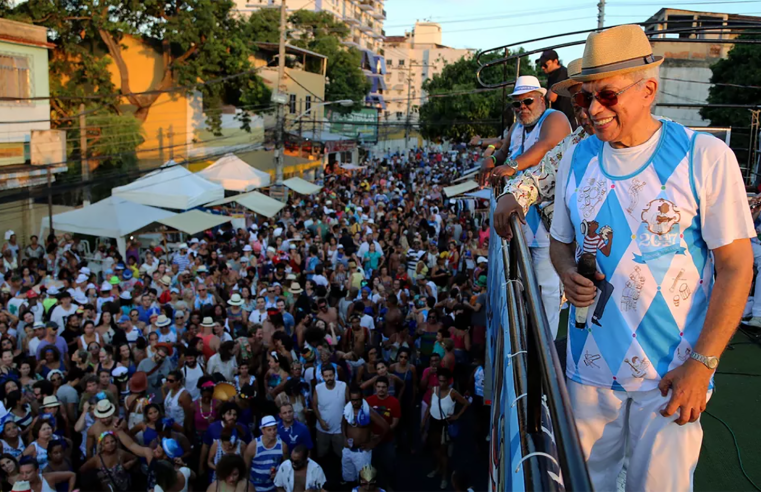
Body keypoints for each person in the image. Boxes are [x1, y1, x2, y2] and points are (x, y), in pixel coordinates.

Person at [549, 25, 754, 491]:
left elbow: (737, 267)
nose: (593, 110)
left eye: (606, 95)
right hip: (588, 370)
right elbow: (561, 241)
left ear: (648, 90)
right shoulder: (576, 158)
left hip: (670, 375)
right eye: (583, 99)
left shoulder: (705, 156)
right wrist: (564, 271)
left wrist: (701, 366)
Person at [421, 368, 469, 489]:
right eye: (439, 380)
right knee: (434, 447)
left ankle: (444, 476)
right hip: (433, 422)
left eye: (443, 381)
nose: (441, 383)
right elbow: (430, 406)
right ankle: (438, 468)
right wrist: (424, 420)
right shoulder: (434, 390)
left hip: (444, 424)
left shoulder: (452, 393)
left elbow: (466, 403)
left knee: (443, 452)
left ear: (448, 381)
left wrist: (457, 416)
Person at [341, 385, 389, 485]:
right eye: (353, 400)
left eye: (357, 400)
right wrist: (344, 438)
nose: (355, 403)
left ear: (362, 397)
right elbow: (343, 423)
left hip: (362, 453)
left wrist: (374, 442)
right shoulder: (347, 409)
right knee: (348, 479)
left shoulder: (368, 412)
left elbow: (386, 427)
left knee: (365, 481)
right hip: (348, 451)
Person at [365, 377, 400, 492]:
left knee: (389, 466)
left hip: (387, 440)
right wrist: (371, 434)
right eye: (378, 387)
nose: (381, 389)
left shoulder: (394, 402)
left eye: (383, 387)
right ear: (375, 387)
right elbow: (365, 421)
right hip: (371, 440)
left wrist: (380, 435)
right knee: (371, 467)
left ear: (387, 388)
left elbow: (395, 423)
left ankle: (389, 486)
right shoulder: (368, 400)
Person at [312, 364, 347, 460]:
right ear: (322, 377)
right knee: (322, 455)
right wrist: (320, 421)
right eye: (326, 376)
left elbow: (348, 405)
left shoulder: (343, 386)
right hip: (322, 428)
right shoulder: (318, 388)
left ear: (334, 375)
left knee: (341, 455)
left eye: (331, 375)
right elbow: (314, 406)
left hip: (339, 429)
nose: (329, 378)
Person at [244, 416, 287, 492]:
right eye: (269, 430)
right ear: (263, 431)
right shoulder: (253, 446)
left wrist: (279, 474)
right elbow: (245, 468)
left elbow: (287, 467)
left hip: (274, 487)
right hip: (254, 488)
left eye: (274, 429)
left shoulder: (282, 446)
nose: (273, 432)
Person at [539, 49, 577, 130]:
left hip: (566, 117)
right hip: (565, 117)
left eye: (545, 64)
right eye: (541, 64)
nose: (542, 67)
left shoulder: (560, 73)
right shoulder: (556, 74)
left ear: (555, 61)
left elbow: (551, 97)